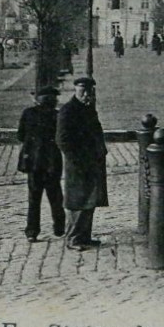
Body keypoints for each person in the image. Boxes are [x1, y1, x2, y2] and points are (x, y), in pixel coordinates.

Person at [56, 75, 107, 250]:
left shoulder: (89, 110)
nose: (86, 95)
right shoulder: (68, 111)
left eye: (89, 92)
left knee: (89, 200)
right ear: (76, 90)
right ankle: (72, 239)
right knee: (77, 202)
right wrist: (77, 160)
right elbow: (62, 140)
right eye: (83, 91)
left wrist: (101, 152)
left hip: (92, 163)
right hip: (78, 165)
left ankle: (84, 236)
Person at [16, 86, 66, 241]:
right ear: (53, 101)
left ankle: (32, 232)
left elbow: (20, 135)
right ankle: (59, 228)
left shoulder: (28, 114)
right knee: (56, 196)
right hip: (52, 162)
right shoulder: (57, 116)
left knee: (34, 198)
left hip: (33, 161)